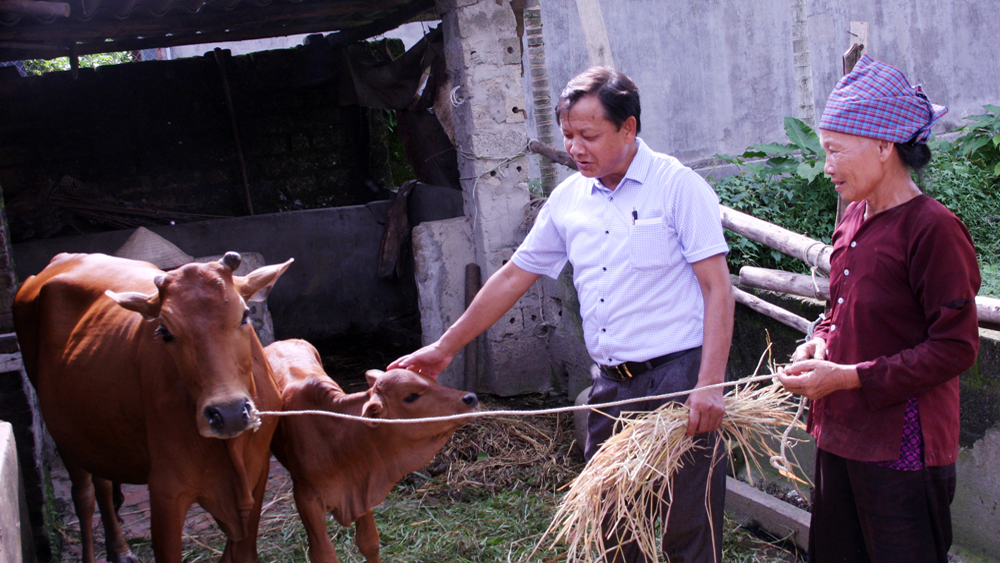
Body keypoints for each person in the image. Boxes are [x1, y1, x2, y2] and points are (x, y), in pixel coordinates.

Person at [389, 66, 735, 563]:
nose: (575, 148)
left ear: (629, 128)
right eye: (568, 135)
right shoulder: (569, 199)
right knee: (613, 520)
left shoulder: (677, 187)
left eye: (588, 135)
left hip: (678, 380)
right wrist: (445, 347)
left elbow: (716, 287)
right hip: (611, 387)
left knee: (689, 522)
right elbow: (513, 276)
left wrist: (710, 383)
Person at [777, 55, 981, 563]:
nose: (826, 166)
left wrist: (847, 378)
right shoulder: (854, 219)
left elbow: (956, 348)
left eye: (836, 151)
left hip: (902, 448)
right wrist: (820, 339)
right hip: (841, 431)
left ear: (885, 146)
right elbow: (839, 310)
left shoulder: (933, 230)